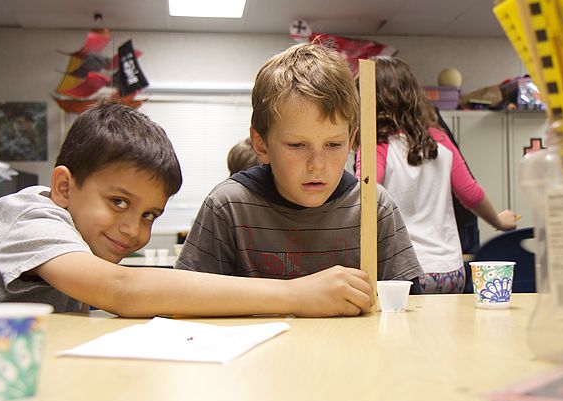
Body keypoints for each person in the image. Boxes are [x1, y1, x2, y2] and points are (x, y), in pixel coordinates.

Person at [0, 100, 375, 331]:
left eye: (150, 214)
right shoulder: (31, 215)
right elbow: (122, 291)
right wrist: (294, 294)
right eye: (119, 203)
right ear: (64, 186)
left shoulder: (73, 245)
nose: (133, 230)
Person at [175, 43, 423, 286]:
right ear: (261, 145)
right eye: (296, 146)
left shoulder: (374, 206)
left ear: (352, 142)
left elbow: (406, 308)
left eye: (333, 145)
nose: (317, 165)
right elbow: (184, 298)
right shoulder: (229, 206)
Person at [356, 57, 516, 295]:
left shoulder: (376, 147)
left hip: (406, 273)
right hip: (450, 270)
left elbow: (366, 195)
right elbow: (470, 193)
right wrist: (499, 221)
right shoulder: (438, 139)